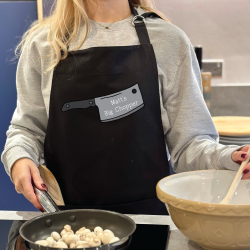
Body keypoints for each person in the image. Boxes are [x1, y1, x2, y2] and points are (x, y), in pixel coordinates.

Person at [1, 0, 250, 216]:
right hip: (67, 222)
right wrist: (19, 158)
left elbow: (189, 146)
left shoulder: (169, 41)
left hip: (149, 219)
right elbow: (27, 130)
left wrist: (230, 157)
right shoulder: (44, 44)